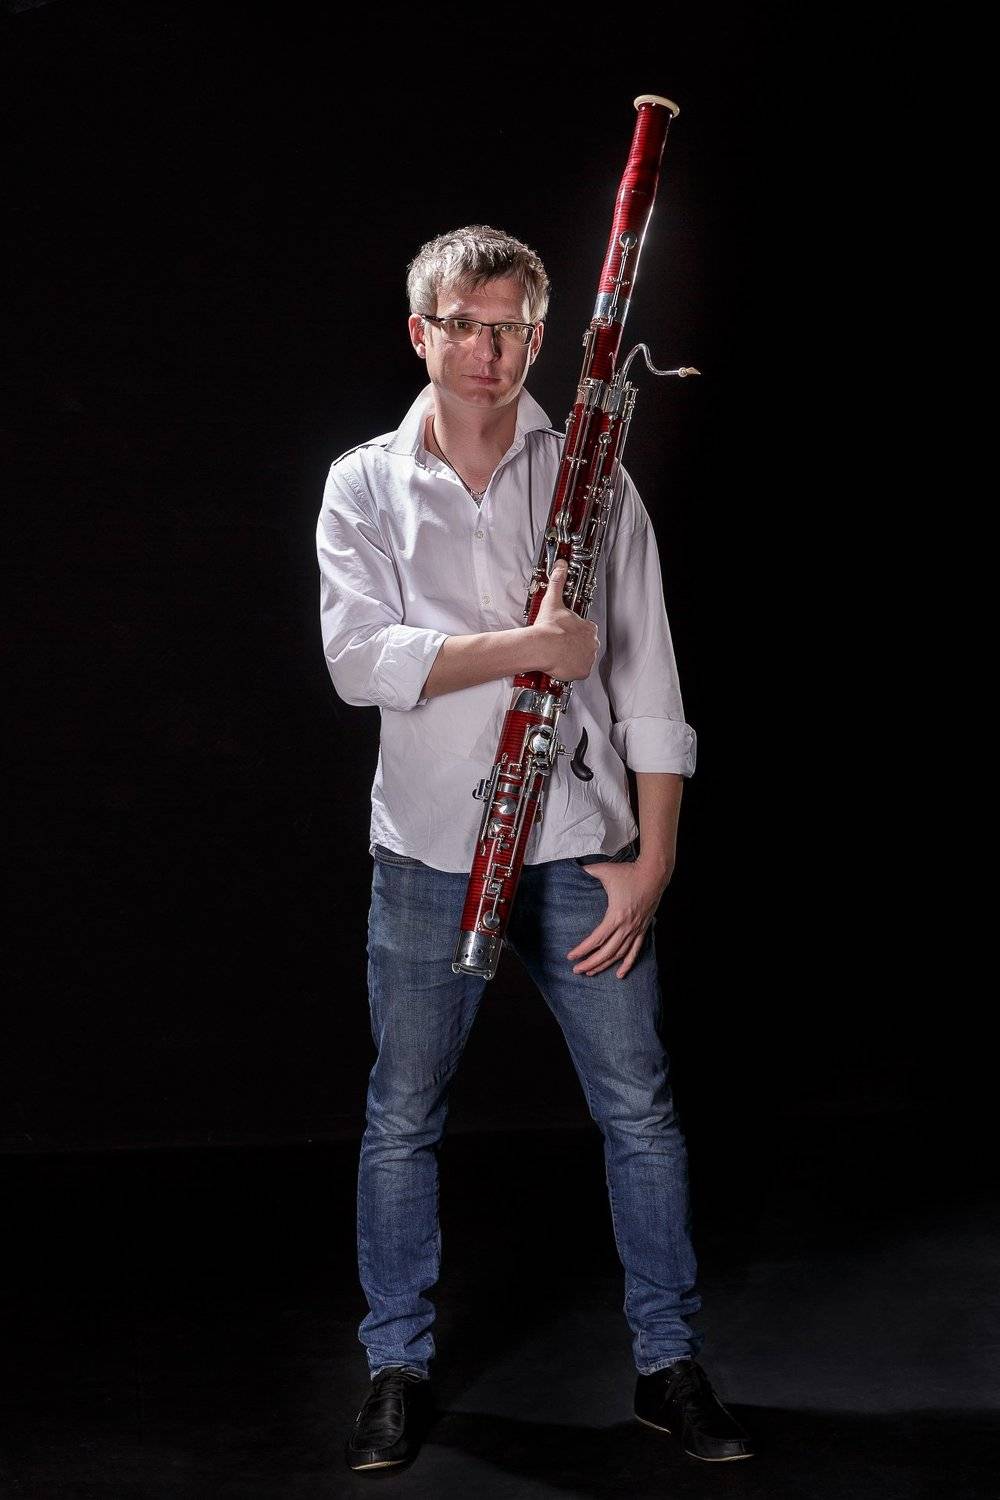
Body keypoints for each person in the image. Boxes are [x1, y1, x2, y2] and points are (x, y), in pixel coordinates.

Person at [316, 225, 754, 1471]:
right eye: (463, 324)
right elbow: (359, 663)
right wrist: (526, 649)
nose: (487, 350)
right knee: (403, 1116)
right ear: (422, 332)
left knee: (641, 1112)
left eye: (509, 328)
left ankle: (668, 1366)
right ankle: (395, 1367)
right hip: (425, 854)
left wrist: (653, 860)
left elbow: (650, 678)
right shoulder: (363, 484)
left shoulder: (593, 478)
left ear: (538, 338)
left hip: (576, 847)